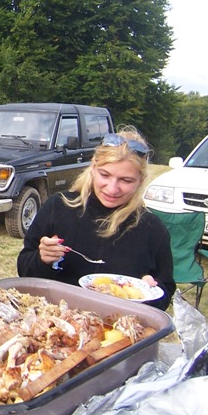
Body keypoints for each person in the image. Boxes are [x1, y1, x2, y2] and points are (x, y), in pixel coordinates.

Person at [16, 126, 175, 311]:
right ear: (93, 168)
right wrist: (42, 259)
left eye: (126, 180)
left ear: (140, 180)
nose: (112, 188)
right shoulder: (58, 207)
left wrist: (150, 292)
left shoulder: (152, 229)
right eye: (105, 175)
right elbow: (24, 270)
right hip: (55, 318)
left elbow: (165, 292)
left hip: (117, 322)